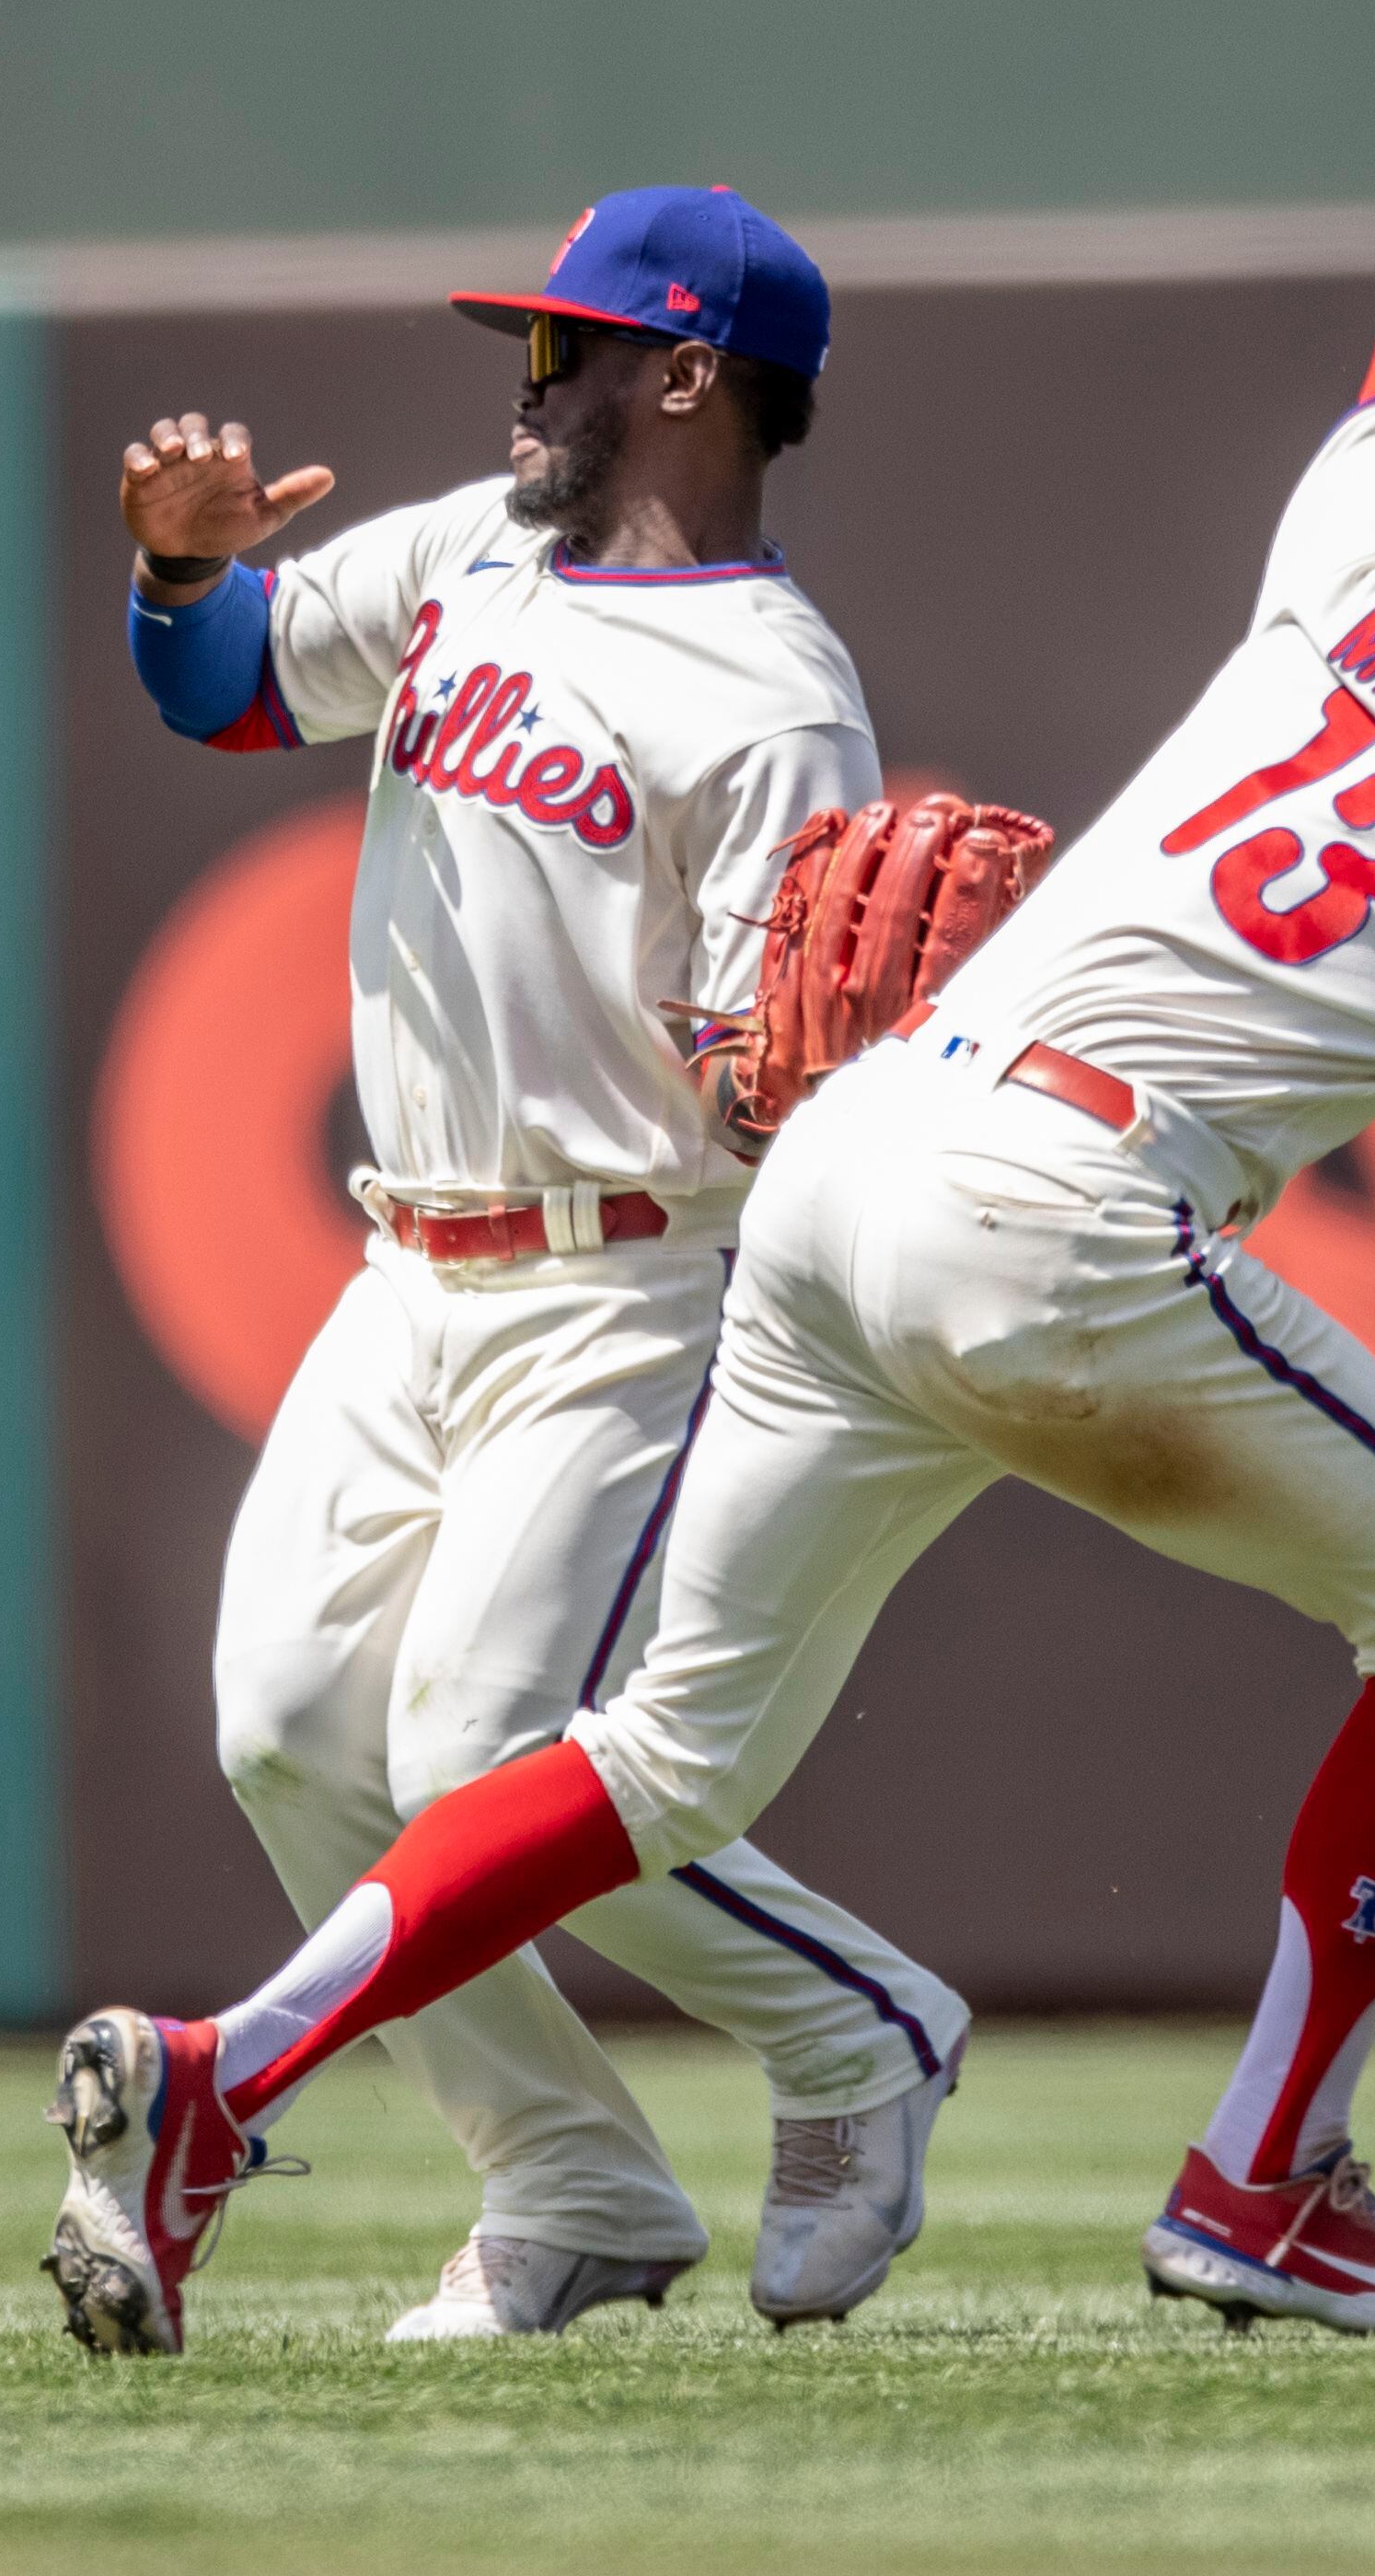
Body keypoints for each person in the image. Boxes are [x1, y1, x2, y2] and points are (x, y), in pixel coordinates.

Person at [45, 0, 1375, 2351]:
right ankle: (1232, 2181)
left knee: (597, 1755)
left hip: (781, 1208)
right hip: (953, 1208)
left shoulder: (1356, 541)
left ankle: (261, 2078)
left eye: (566, 341)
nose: (526, 373)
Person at [48, 187, 971, 2358]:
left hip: (632, 1280)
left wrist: (789, 1074)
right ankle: (567, 2170)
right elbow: (227, 686)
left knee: (496, 1751)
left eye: (567, 345)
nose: (526, 377)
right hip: (410, 1263)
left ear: (687, 378)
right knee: (285, 1731)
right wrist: (178, 566)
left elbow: (781, 1103)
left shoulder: (775, 696)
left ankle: (861, 2026)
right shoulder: (478, 544)